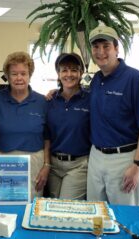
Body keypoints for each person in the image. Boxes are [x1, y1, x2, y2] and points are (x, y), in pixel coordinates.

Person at [87, 26, 139, 206]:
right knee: (95, 217)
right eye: (96, 47)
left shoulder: (134, 78)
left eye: (106, 46)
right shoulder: (96, 80)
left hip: (125, 159)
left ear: (117, 49)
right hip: (96, 157)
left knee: (125, 219)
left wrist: (137, 164)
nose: (100, 52)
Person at [0, 51, 50, 199]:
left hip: (34, 161)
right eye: (14, 74)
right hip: (4, 162)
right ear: (7, 76)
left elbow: (47, 137)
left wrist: (46, 166)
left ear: (30, 75)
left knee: (32, 208)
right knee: (6, 209)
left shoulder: (42, 102)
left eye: (23, 73)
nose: (19, 78)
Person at [46, 53, 91, 200]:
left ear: (81, 73)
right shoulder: (50, 101)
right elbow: (45, 134)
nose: (69, 74)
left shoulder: (90, 99)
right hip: (53, 165)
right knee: (51, 207)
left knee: (66, 207)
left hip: (78, 166)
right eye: (64, 70)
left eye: (74, 70)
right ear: (58, 74)